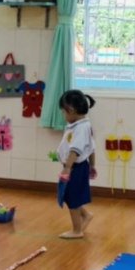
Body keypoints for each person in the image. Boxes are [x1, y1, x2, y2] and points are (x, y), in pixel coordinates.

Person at [56, 90, 97, 239]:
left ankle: (77, 230)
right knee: (70, 196)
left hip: (75, 168)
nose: (63, 115)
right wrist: (92, 165)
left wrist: (67, 168)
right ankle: (86, 215)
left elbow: (75, 149)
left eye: (63, 112)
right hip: (77, 167)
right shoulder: (82, 125)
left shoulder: (80, 128)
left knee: (73, 198)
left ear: (71, 110)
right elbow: (92, 148)